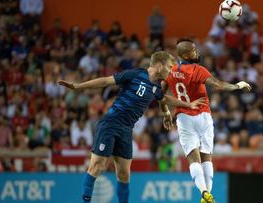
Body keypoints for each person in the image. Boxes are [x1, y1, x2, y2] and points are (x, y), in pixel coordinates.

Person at [57, 51, 205, 203]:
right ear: (159, 66)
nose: (171, 71)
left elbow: (163, 99)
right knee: (97, 166)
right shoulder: (136, 74)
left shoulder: (156, 86)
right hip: (110, 123)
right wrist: (78, 86)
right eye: (169, 67)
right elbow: (105, 81)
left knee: (124, 174)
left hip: (126, 130)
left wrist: (171, 112)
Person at [161, 39, 251, 203]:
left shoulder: (171, 70)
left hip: (183, 117)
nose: (197, 52)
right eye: (194, 50)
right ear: (186, 54)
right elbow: (219, 85)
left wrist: (166, 112)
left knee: (193, 158)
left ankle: (204, 193)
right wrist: (238, 86)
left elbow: (161, 94)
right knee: (206, 157)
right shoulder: (197, 70)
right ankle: (207, 194)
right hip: (203, 115)